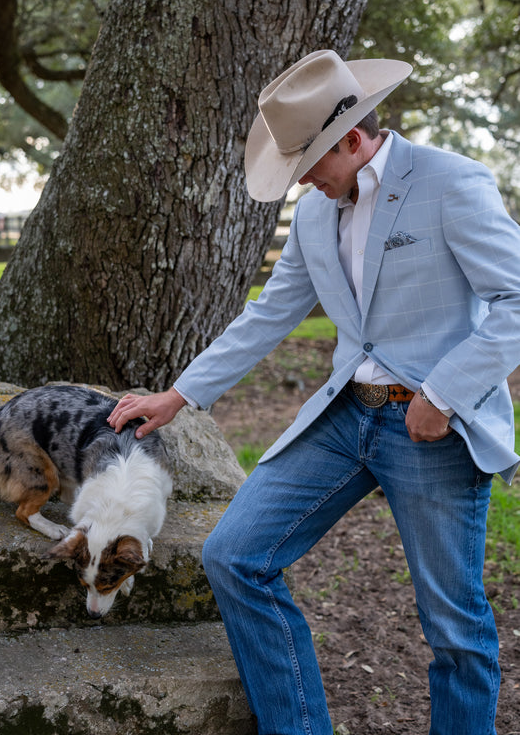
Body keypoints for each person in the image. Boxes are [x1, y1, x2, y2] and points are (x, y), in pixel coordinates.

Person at [108, 50, 520, 735]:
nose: (304, 183)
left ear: (351, 139)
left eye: (309, 166)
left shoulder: (450, 183)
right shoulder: (311, 216)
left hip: (429, 429)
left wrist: (442, 394)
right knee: (234, 556)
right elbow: (267, 315)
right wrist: (177, 396)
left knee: (452, 624)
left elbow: (514, 297)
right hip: (340, 418)